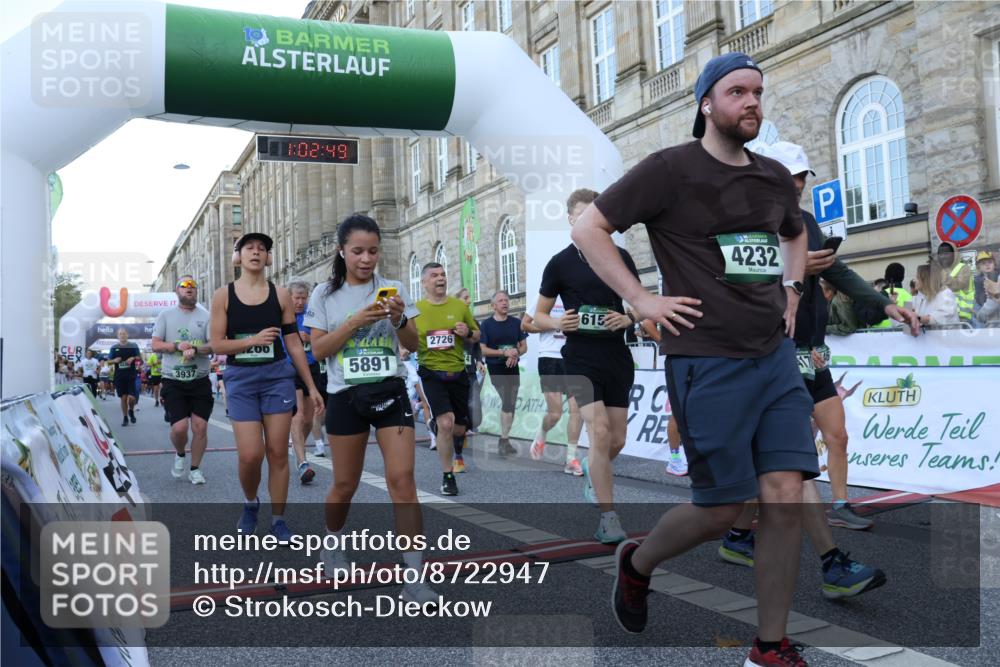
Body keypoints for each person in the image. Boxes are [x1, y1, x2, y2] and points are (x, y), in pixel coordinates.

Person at [574, 53, 815, 665]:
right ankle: (639, 560)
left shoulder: (770, 177)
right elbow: (590, 229)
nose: (752, 101)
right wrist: (640, 297)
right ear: (707, 103)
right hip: (706, 361)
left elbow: (794, 233)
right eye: (737, 91)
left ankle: (769, 646)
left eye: (758, 91)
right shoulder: (669, 170)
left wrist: (791, 290)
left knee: (784, 492)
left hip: (775, 360)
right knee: (722, 510)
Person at [304, 214, 435, 602]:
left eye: (373, 251)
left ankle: (414, 577)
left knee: (403, 481)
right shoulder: (324, 295)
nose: (366, 259)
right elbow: (320, 350)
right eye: (358, 251)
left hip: (390, 390)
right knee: (345, 485)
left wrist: (397, 319)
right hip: (345, 395)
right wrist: (355, 321)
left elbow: (412, 343)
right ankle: (331, 543)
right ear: (342, 251)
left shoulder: (393, 288)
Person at [532, 187, 640, 545]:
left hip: (616, 356)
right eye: (582, 214)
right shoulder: (560, 263)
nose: (589, 219)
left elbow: (640, 303)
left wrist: (628, 319)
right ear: (570, 219)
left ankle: (597, 474)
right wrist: (558, 324)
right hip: (579, 358)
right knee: (599, 431)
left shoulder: (620, 256)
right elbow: (539, 316)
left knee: (618, 438)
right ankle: (608, 518)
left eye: (596, 214)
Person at [209, 233, 324, 540]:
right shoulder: (224, 295)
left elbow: (294, 343)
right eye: (249, 248)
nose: (256, 252)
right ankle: (250, 503)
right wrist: (251, 341)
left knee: (277, 452)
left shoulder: (282, 294)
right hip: (241, 380)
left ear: (269, 258)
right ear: (238, 257)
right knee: (250, 455)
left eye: (262, 249)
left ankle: (279, 520)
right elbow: (217, 343)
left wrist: (311, 387)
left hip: (276, 378)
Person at [414, 263, 480, 496]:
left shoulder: (459, 306)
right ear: (424, 283)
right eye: (434, 275)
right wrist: (405, 348)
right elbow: (408, 340)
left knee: (460, 428)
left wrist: (468, 333)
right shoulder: (416, 309)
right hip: (431, 372)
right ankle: (447, 475)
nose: (440, 279)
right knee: (446, 423)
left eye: (443, 274)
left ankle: (442, 430)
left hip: (458, 372)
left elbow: (476, 334)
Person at [151, 275, 215, 485]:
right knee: (179, 429)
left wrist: (196, 349)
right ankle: (180, 453)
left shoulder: (206, 316)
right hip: (173, 380)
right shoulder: (166, 315)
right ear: (177, 291)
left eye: (193, 285)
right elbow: (155, 345)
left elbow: (214, 346)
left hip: (200, 379)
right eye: (184, 285)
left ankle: (195, 469)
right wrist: (176, 346)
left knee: (200, 427)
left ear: (197, 291)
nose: (189, 288)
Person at [522, 277, 584, 476]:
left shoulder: (577, 299)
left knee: (577, 411)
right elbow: (525, 325)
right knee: (555, 414)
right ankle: (542, 433)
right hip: (550, 358)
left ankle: (571, 459)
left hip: (574, 357)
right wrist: (553, 325)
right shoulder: (544, 298)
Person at [479, 290, 528, 457]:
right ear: (493, 306)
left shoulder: (516, 322)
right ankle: (503, 440)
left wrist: (515, 354)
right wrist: (504, 354)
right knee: (507, 398)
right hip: (496, 367)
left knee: (511, 403)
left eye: (506, 300)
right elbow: (483, 350)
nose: (505, 303)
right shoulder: (486, 325)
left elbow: (523, 346)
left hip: (513, 366)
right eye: (500, 301)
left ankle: (504, 440)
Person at [287, 280, 318, 485]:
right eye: (296, 298)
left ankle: (298, 445)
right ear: (289, 297)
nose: (299, 302)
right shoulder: (283, 315)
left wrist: (311, 338)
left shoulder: (313, 314)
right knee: (297, 415)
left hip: (311, 367)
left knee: (308, 418)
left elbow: (325, 336)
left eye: (303, 297)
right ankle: (302, 462)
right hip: (290, 368)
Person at [455, 287, 484, 471]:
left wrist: (480, 360)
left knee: (474, 404)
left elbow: (477, 345)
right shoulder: (451, 320)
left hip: (471, 369)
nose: (469, 300)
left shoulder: (474, 322)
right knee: (460, 408)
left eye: (469, 297)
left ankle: (466, 428)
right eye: (465, 298)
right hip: (456, 368)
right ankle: (458, 448)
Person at [108, 328, 142, 427]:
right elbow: (108, 361)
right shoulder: (114, 347)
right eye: (120, 334)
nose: (122, 335)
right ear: (118, 336)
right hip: (119, 376)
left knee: (131, 398)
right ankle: (125, 417)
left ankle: (131, 410)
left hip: (131, 375)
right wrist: (114, 361)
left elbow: (139, 357)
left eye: (124, 334)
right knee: (123, 398)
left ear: (127, 335)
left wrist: (133, 358)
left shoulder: (133, 346)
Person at [936, 241, 974, 323]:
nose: (943, 257)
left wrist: (945, 277)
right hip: (943, 316)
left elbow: (960, 285)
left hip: (962, 317)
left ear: (955, 254)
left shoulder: (964, 268)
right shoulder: (938, 270)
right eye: (941, 254)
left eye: (946, 253)